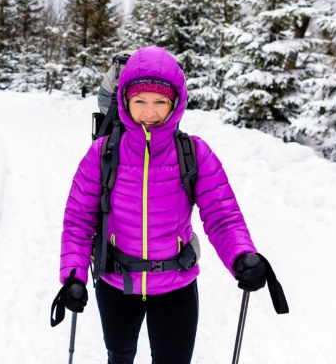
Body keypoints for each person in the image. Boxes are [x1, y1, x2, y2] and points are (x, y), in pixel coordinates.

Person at [57, 46, 268, 364]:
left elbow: (221, 214)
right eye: (140, 101)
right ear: (125, 102)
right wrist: (73, 275)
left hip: (176, 286)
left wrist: (242, 255)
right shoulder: (102, 153)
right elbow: (79, 219)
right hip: (117, 284)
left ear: (175, 104)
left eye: (160, 102)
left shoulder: (194, 153)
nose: (149, 112)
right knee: (120, 356)